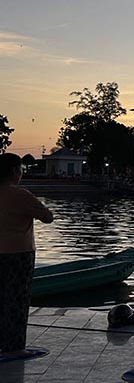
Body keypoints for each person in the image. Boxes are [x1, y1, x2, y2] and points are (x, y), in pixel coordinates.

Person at [0, 154, 53, 359]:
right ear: (14, 171)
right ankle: (14, 347)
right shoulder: (20, 195)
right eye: (20, 169)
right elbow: (48, 217)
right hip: (18, 253)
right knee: (17, 299)